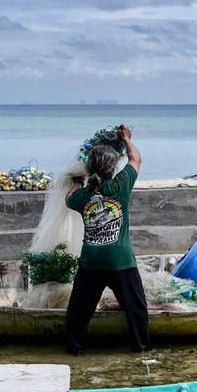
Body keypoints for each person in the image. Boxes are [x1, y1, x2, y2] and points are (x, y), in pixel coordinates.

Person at [64, 124, 150, 354]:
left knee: (79, 310)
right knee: (136, 308)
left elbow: (68, 198)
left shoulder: (83, 196)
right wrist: (127, 139)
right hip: (119, 261)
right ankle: (140, 347)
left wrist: (78, 181)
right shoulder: (120, 185)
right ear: (113, 167)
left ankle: (74, 349)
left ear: (89, 167)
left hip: (91, 261)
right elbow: (136, 159)